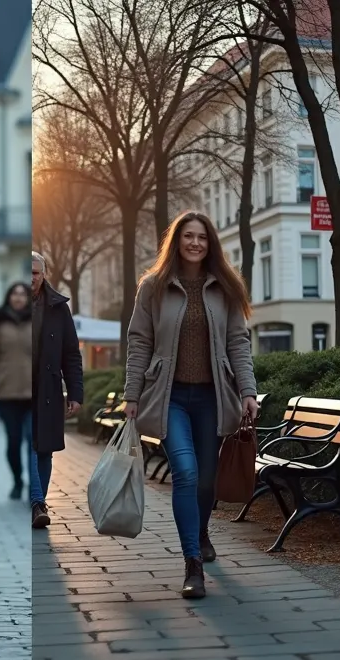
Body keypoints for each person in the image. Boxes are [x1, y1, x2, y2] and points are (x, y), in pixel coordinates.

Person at [123, 211, 257, 599]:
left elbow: (238, 343)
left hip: (212, 398)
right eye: (188, 236)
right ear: (176, 241)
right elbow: (139, 342)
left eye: (202, 237)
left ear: (210, 242)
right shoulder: (154, 286)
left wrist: (247, 390)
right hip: (171, 397)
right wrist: (132, 395)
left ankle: (200, 531)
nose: (195, 242)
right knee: (184, 471)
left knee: (207, 478)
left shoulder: (225, 287)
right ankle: (192, 563)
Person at [29, 252, 84, 530]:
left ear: (44, 274)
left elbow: (71, 353)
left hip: (48, 386)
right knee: (26, 443)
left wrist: (76, 393)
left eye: (35, 273)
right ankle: (37, 502)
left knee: (44, 449)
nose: (31, 278)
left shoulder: (58, 307)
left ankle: (37, 503)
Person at [0, 283, 35, 500]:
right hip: (7, 393)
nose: (19, 298)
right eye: (15, 294)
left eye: (23, 294)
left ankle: (33, 487)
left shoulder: (36, 320)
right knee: (13, 441)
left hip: (33, 393)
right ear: (9, 297)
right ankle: (17, 480)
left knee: (32, 440)